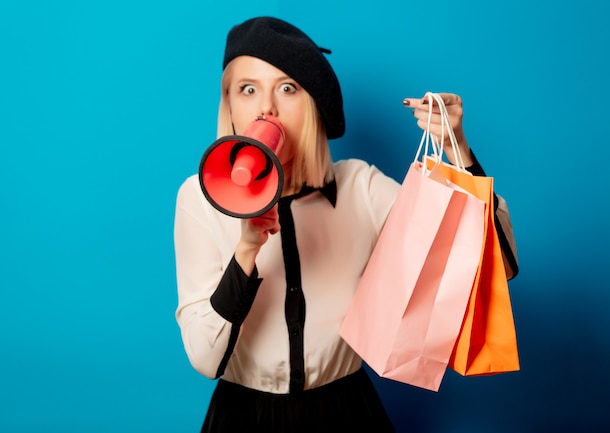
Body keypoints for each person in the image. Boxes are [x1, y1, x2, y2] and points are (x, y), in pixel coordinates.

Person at [174, 16, 518, 433]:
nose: (267, 107)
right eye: (248, 89)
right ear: (229, 105)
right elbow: (204, 359)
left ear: (312, 104)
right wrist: (246, 249)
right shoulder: (199, 197)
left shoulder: (360, 187)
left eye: (287, 88)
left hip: (345, 413)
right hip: (245, 417)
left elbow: (492, 261)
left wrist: (456, 148)